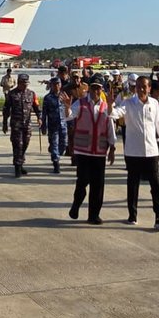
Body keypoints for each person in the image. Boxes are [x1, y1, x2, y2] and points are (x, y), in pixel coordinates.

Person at [63, 74, 116, 224]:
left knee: (98, 185)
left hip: (99, 152)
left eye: (98, 89)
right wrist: (67, 108)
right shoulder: (80, 103)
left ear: (102, 90)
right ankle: (76, 205)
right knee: (83, 181)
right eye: (93, 88)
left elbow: (110, 128)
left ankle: (93, 215)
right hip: (83, 150)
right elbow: (69, 117)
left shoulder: (107, 107)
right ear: (89, 88)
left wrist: (112, 147)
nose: (95, 91)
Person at [109, 76, 159, 227]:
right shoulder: (128, 103)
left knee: (156, 186)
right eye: (138, 86)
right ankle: (132, 215)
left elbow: (158, 126)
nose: (141, 89)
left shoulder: (155, 104)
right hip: (133, 152)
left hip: (151, 151)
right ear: (135, 88)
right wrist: (110, 105)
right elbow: (114, 114)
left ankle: (158, 217)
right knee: (133, 185)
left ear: (149, 88)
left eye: (144, 86)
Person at [2, 73, 41, 178]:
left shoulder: (31, 94)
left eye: (26, 83)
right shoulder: (12, 94)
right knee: (18, 145)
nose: (25, 85)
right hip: (16, 124)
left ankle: (20, 162)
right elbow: (6, 109)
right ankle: (17, 167)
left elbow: (36, 107)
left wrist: (39, 117)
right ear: (18, 83)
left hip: (27, 124)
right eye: (23, 83)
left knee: (25, 144)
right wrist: (4, 123)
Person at [41, 77, 67, 173]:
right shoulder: (47, 98)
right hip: (53, 125)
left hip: (63, 124)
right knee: (55, 144)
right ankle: (56, 162)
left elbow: (69, 109)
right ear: (51, 85)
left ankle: (55, 153)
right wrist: (43, 125)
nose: (56, 86)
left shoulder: (64, 96)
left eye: (58, 84)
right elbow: (44, 113)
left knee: (63, 144)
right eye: (54, 84)